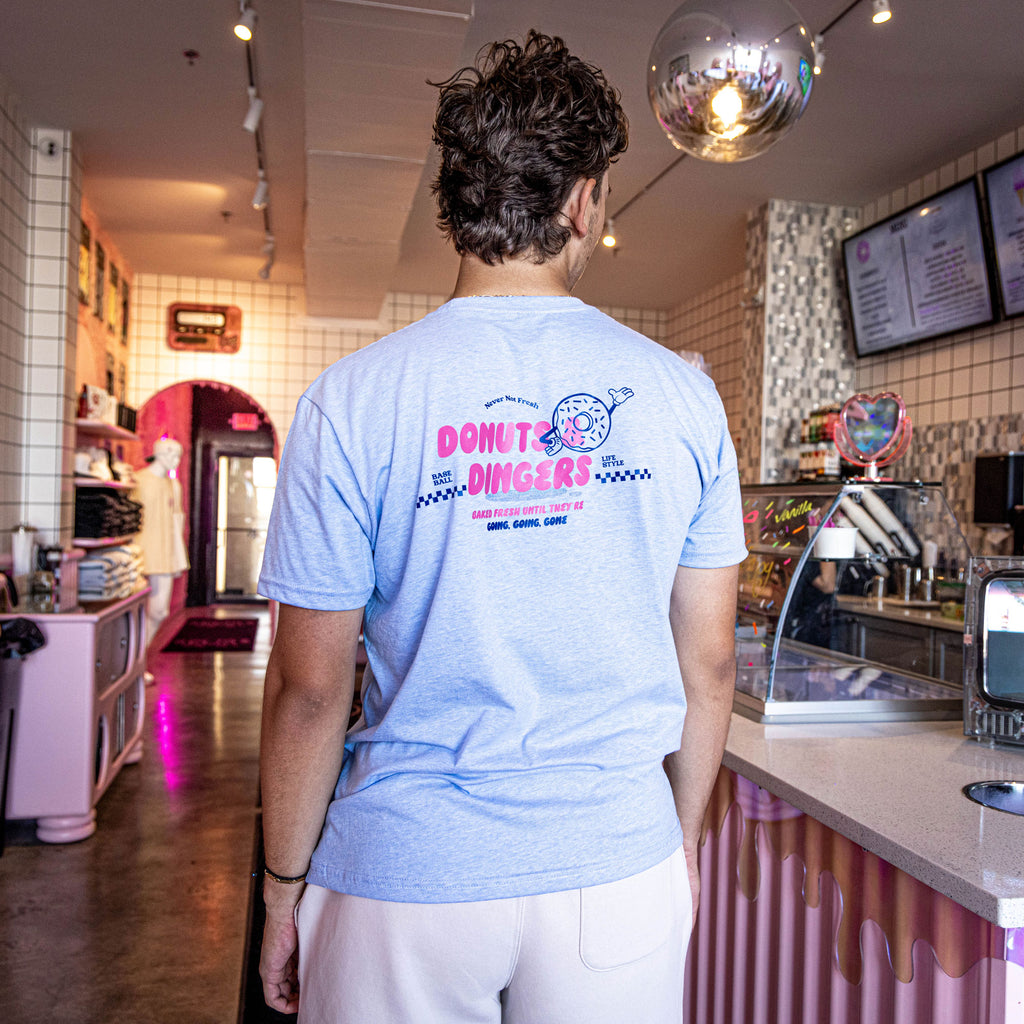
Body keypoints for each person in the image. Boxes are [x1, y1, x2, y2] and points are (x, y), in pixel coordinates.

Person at [257, 30, 747, 1023]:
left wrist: (280, 888)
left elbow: (310, 691)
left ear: (460, 198)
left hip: (403, 871)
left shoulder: (349, 401)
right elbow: (709, 671)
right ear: (580, 201)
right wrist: (676, 845)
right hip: (614, 865)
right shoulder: (683, 399)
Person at [133, 436, 189, 649]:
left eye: (178, 456)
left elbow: (177, 523)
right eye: (171, 455)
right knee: (134, 611)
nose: (175, 460)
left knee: (159, 611)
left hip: (164, 554)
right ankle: (135, 664)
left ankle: (139, 660)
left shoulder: (174, 485)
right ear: (159, 454)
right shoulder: (138, 480)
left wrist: (177, 557)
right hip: (139, 553)